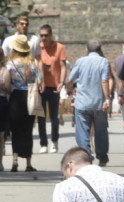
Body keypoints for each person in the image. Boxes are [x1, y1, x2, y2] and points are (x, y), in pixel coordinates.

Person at [68, 39, 112, 166]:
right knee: (101, 130)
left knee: (82, 130)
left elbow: (71, 79)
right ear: (99, 49)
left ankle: (86, 155)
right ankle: (102, 155)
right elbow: (104, 81)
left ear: (86, 49)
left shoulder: (80, 61)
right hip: (98, 103)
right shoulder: (104, 61)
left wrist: (69, 89)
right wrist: (107, 98)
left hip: (82, 103)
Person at [6, 35, 42, 173]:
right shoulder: (33, 64)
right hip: (30, 96)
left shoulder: (10, 64)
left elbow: (7, 84)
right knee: (28, 130)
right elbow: (40, 80)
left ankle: (15, 160)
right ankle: (28, 162)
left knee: (15, 130)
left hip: (16, 97)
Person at [37, 24, 68, 154]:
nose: (43, 38)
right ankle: (43, 143)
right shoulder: (39, 47)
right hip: (41, 86)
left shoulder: (59, 47)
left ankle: (54, 142)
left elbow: (63, 66)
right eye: (41, 35)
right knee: (41, 117)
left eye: (46, 35)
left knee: (54, 117)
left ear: (51, 35)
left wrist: (62, 82)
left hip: (54, 85)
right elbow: (35, 64)